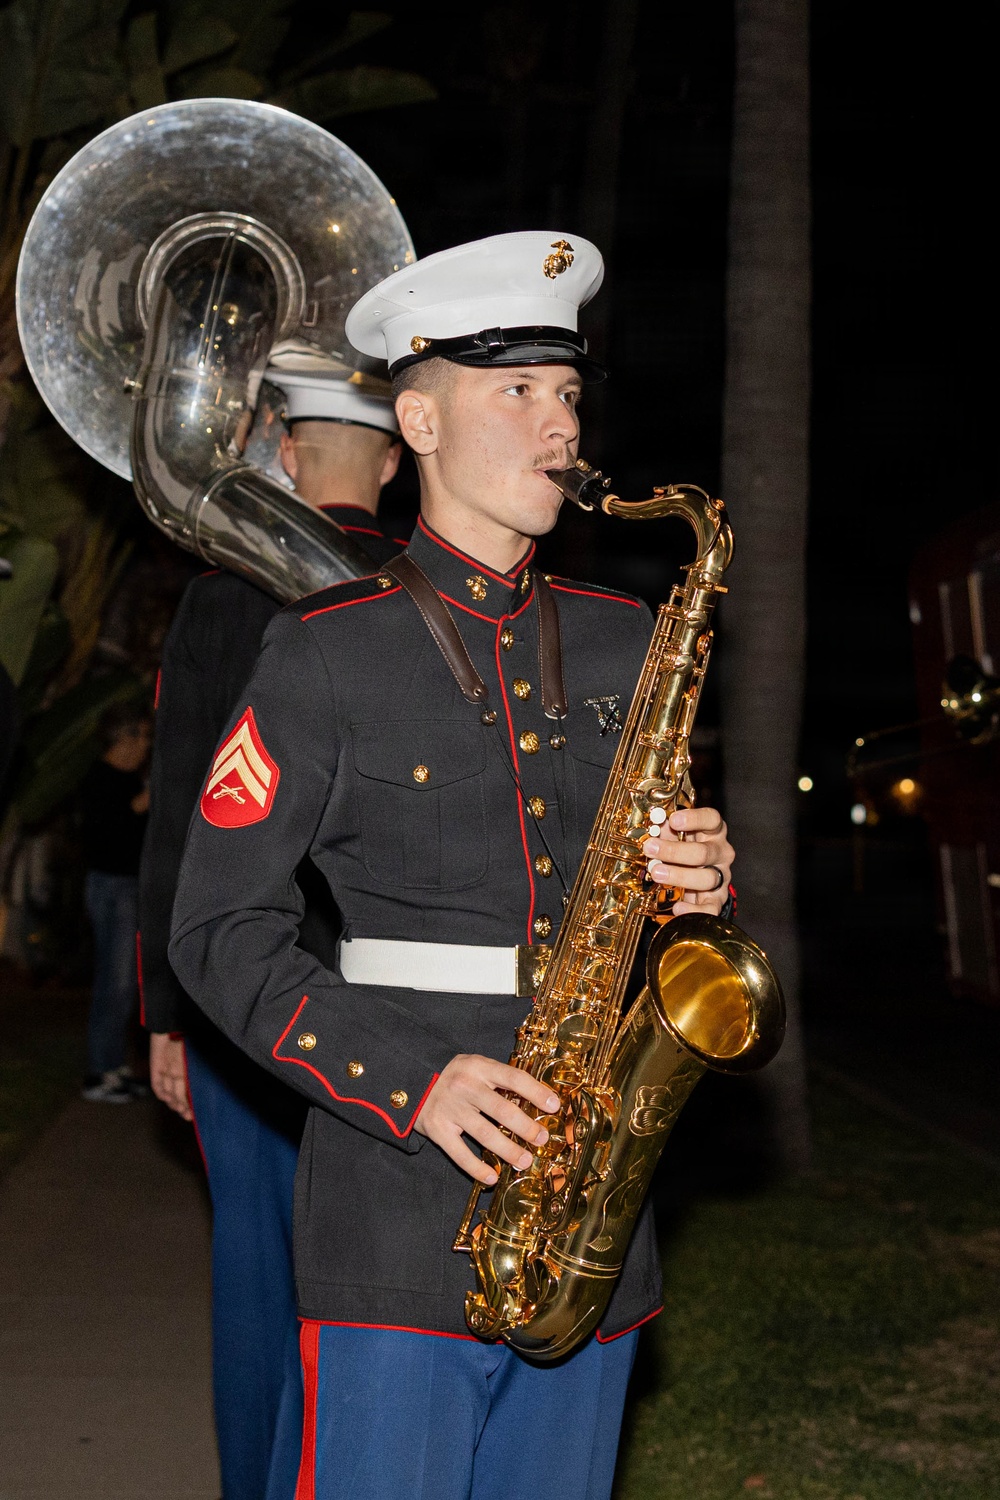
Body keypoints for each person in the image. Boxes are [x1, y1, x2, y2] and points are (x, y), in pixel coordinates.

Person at [169, 232, 735, 1500]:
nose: (558, 424)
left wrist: (695, 888)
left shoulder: (624, 640)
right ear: (417, 422)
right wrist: (413, 1085)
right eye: (515, 390)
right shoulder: (325, 650)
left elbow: (650, 903)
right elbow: (218, 928)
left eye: (567, 391)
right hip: (398, 1199)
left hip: (594, 1206)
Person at [139, 350, 403, 1500]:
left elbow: (179, 818)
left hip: (241, 987)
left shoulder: (218, 597)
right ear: (394, 462)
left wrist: (164, 1010)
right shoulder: (431, 590)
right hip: (396, 996)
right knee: (381, 1283)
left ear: (285, 456)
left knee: (256, 1268)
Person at [79, 701, 151, 1102]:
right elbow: (102, 836)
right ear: (123, 736)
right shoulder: (98, 777)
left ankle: (113, 1065)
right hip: (110, 888)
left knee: (125, 984)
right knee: (114, 981)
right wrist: (142, 802)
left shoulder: (129, 779)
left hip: (129, 887)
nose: (146, 745)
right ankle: (98, 1073)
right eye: (142, 735)